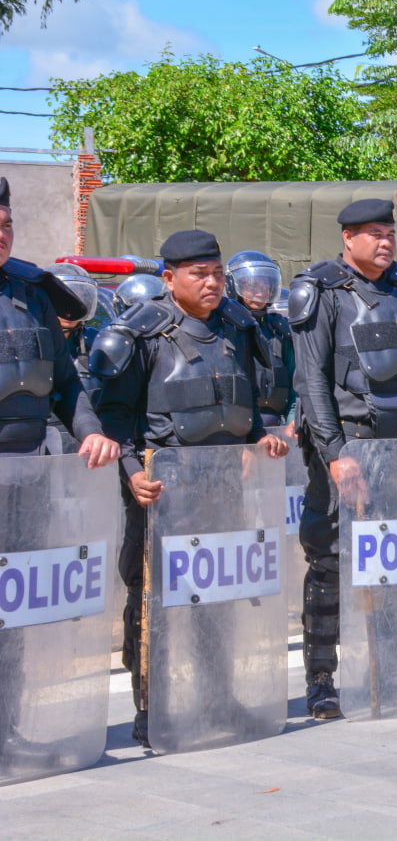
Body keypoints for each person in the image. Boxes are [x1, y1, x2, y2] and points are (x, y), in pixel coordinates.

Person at [90, 228, 288, 747]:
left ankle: (219, 696)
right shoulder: (142, 332)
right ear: (169, 277)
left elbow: (243, 400)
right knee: (152, 600)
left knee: (218, 598)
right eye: (199, 274)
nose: (212, 283)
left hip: (222, 489)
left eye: (218, 273)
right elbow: (115, 416)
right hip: (162, 492)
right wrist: (132, 473)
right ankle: (151, 705)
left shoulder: (238, 326)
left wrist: (259, 438)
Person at [288, 199, 397, 720]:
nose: (385, 243)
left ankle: (390, 668)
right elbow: (312, 382)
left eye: (389, 234)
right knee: (331, 563)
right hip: (348, 449)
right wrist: (335, 455)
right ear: (348, 238)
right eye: (373, 234)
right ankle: (322, 681)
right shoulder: (323, 291)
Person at [1, 176, 120, 769]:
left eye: (6, 225)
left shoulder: (32, 292)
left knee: (13, 617)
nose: (1, 236)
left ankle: (7, 731)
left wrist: (90, 430)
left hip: (26, 478)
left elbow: (66, 384)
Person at [226, 251, 294, 428]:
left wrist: (293, 423)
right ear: (234, 285)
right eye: (253, 285)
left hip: (279, 428)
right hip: (236, 427)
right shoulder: (224, 329)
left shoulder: (279, 330)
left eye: (266, 285)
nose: (260, 292)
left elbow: (296, 385)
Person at [45, 263, 105, 452]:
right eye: (61, 302)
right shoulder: (31, 340)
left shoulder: (99, 343)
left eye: (79, 300)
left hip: (88, 446)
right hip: (35, 448)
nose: (69, 311)